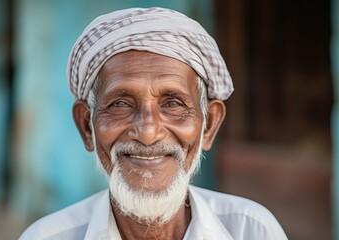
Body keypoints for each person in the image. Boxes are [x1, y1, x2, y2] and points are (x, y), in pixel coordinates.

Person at [19, 7, 288, 240]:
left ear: (209, 125)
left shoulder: (252, 230)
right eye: (120, 104)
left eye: (173, 104)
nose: (148, 133)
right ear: (87, 127)